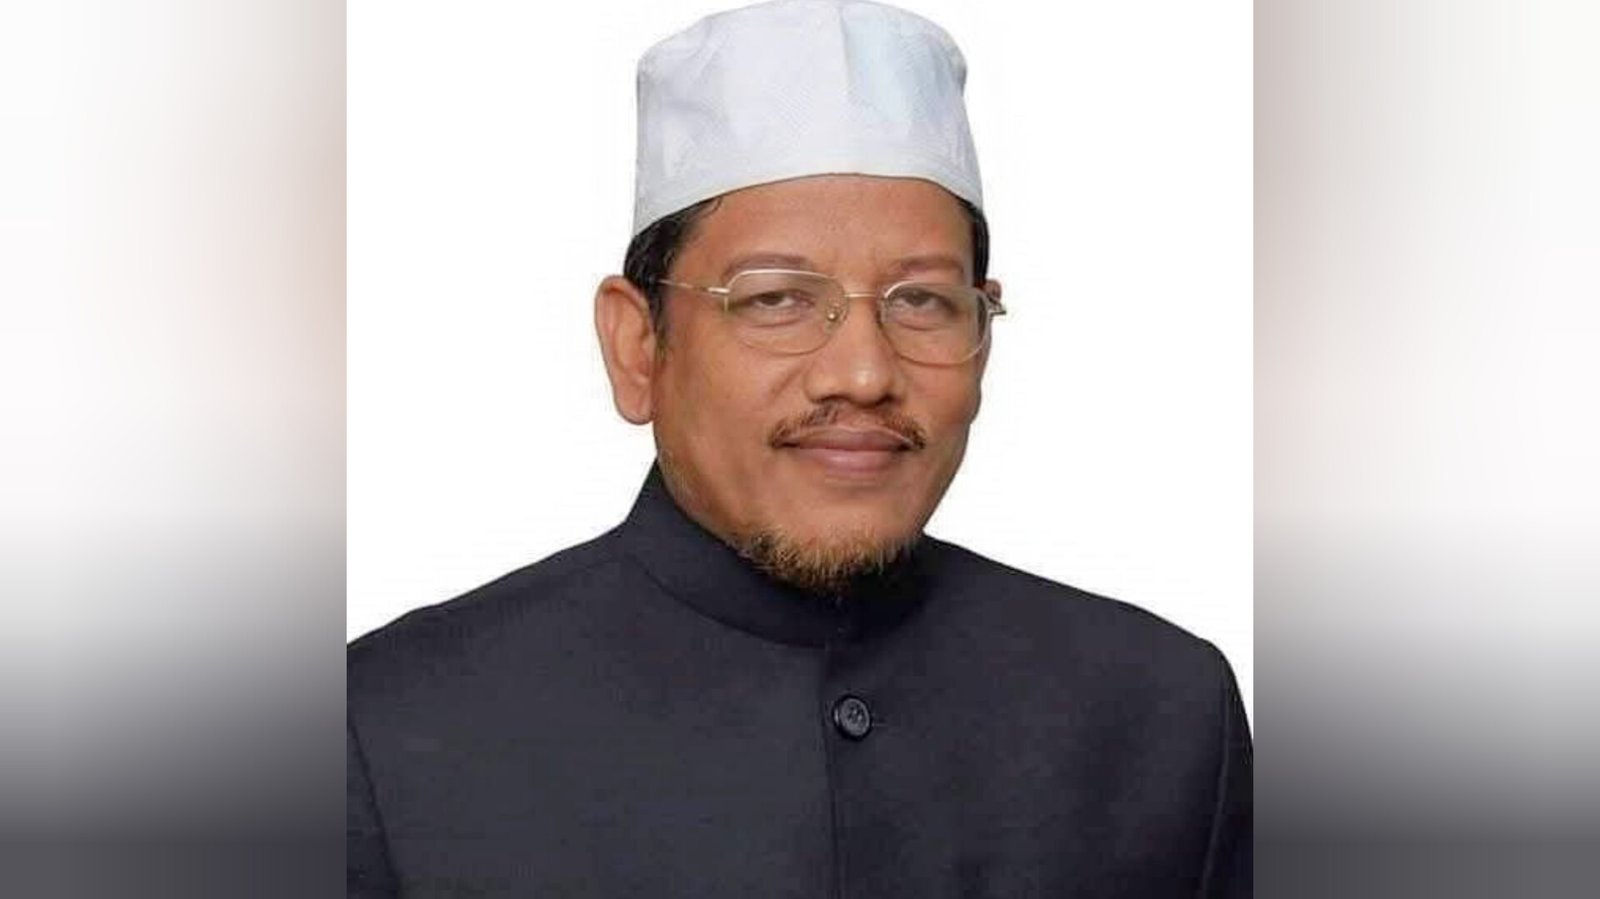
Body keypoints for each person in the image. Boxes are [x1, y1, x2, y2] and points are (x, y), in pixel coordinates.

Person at [347, 1, 1251, 896]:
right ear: (638, 346)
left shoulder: (1164, 715)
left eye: (922, 301)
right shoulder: (385, 731)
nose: (862, 373)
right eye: (775, 298)